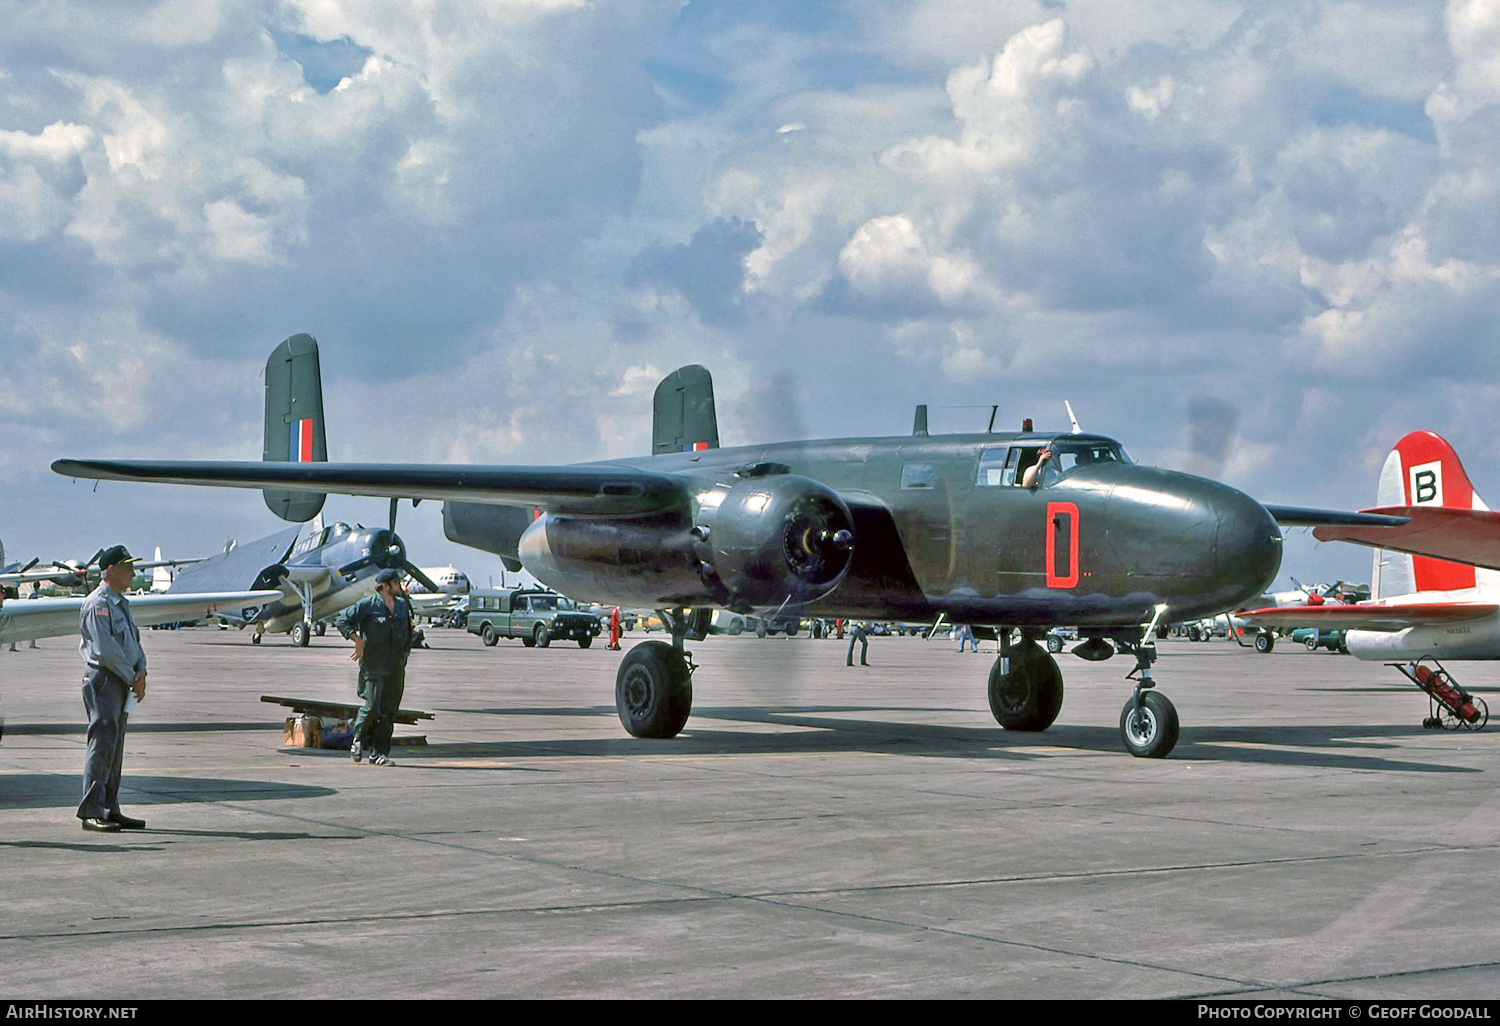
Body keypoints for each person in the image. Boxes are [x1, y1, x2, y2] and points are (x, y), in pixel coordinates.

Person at [77, 545, 148, 833]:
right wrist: (132, 676)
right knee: (102, 744)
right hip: (106, 680)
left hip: (122, 680)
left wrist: (141, 669)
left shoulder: (120, 603)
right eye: (127, 566)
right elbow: (105, 650)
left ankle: (109, 808)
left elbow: (133, 643)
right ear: (111, 570)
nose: (132, 572)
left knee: (114, 747)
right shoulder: (98, 604)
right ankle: (91, 811)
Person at [337, 568, 415, 767]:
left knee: (389, 711)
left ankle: (379, 753)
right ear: (386, 585)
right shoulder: (368, 605)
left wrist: (405, 654)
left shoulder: (402, 606)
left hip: (396, 665)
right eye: (396, 582)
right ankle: (357, 739)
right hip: (373, 664)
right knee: (371, 705)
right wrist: (358, 641)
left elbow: (408, 631)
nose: (400, 586)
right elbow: (342, 620)